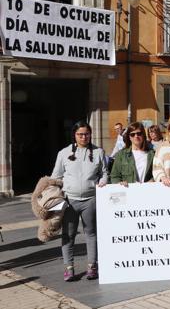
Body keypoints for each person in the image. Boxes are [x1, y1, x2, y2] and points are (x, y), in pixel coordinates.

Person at [51, 121, 108, 282]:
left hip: (91, 199)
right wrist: (59, 193)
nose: (84, 137)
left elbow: (104, 172)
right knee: (68, 235)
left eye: (87, 134)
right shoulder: (63, 153)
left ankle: (92, 267)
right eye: (80, 134)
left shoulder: (98, 152)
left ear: (90, 134)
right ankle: (69, 268)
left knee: (91, 233)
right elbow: (56, 177)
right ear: (74, 135)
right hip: (70, 200)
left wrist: (103, 181)